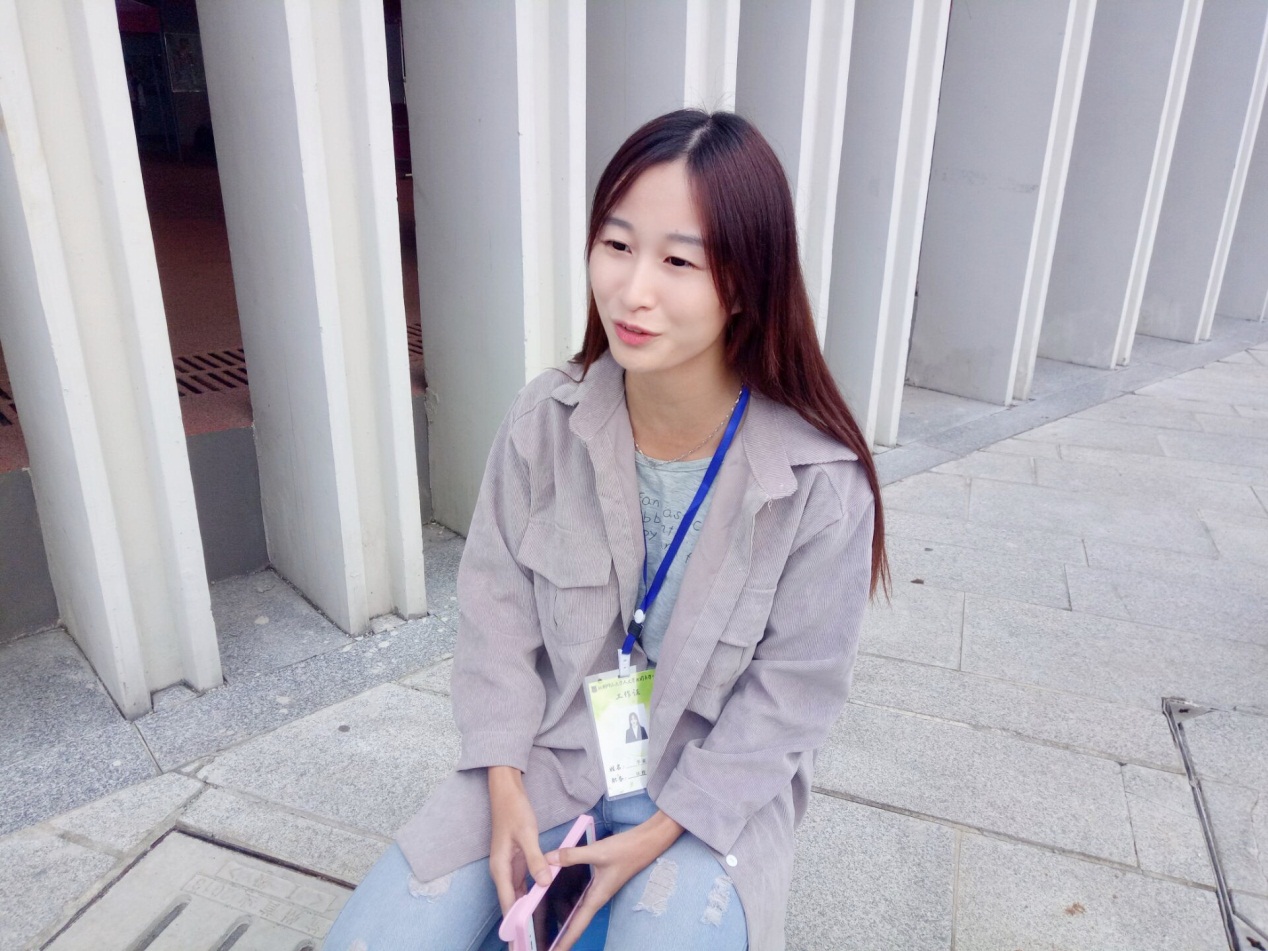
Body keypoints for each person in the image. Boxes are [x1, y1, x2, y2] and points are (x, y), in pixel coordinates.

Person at [322, 109, 888, 951]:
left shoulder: (820, 484)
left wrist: (662, 831)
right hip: (549, 755)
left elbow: (792, 697)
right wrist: (503, 781)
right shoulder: (545, 421)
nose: (633, 289)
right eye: (617, 245)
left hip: (709, 796)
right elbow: (495, 612)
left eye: (678, 260)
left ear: (745, 281)